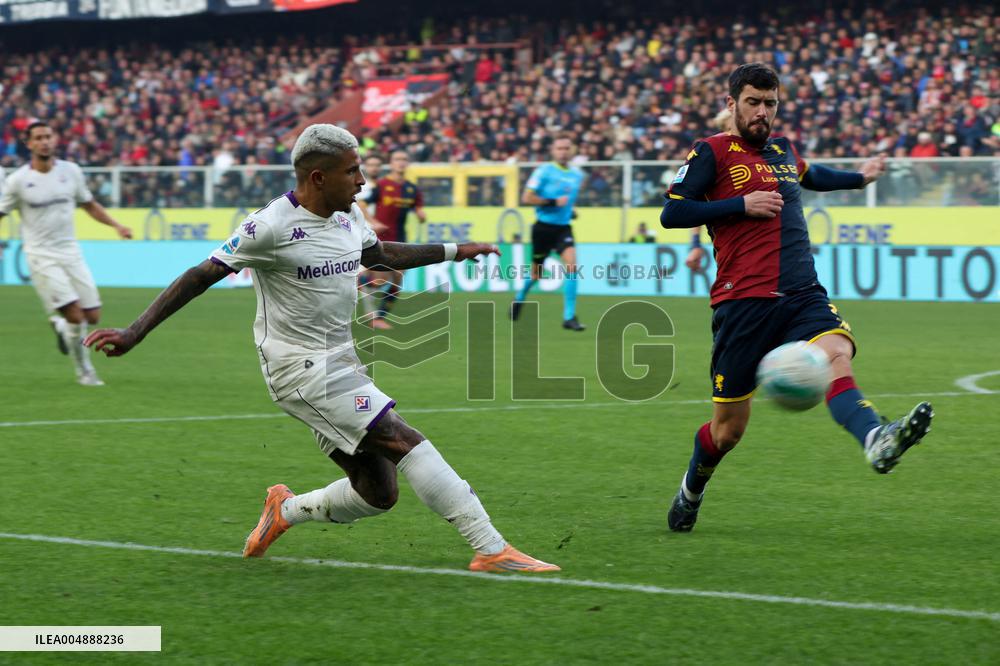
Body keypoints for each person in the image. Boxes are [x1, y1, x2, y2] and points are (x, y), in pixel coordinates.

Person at [84, 124, 559, 574]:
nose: (363, 180)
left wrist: (458, 250)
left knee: (378, 492)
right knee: (403, 439)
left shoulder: (346, 214)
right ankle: (491, 548)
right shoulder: (267, 227)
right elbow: (200, 275)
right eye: (353, 171)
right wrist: (134, 331)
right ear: (318, 176)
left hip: (341, 360)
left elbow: (380, 256)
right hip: (299, 368)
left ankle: (285, 510)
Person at [659, 63, 934, 532]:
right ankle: (691, 491)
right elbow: (673, 212)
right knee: (728, 433)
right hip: (743, 301)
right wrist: (739, 205)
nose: (762, 112)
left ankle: (875, 437)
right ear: (732, 104)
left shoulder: (784, 150)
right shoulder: (712, 151)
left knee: (835, 351)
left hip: (802, 292)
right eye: (753, 102)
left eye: (770, 103)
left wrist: (860, 178)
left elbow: (812, 175)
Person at [0, 120, 132, 386]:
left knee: (92, 315)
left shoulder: (71, 172)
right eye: (38, 137)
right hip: (41, 256)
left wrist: (117, 225)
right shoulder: (18, 182)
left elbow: (89, 205)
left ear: (54, 139)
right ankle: (84, 370)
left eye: (48, 136)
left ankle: (62, 328)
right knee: (75, 315)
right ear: (29, 144)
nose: (45, 141)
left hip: (70, 251)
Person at [511, 134, 587, 331]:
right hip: (543, 229)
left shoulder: (578, 175)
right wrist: (552, 202)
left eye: (566, 148)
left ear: (572, 151)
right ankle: (519, 298)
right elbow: (527, 197)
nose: (563, 152)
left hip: (563, 228)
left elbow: (568, 200)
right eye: (559, 148)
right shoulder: (544, 171)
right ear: (553, 151)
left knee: (572, 266)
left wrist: (571, 210)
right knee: (536, 274)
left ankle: (569, 317)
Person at [365, 149, 427, 330]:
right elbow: (362, 204)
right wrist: (373, 222)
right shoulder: (382, 185)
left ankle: (379, 318)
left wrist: (421, 215)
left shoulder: (412, 189)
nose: (401, 162)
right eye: (397, 159)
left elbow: (419, 208)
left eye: (404, 159)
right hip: (381, 239)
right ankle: (357, 283)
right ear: (391, 164)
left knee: (398, 279)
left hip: (401, 239)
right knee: (380, 282)